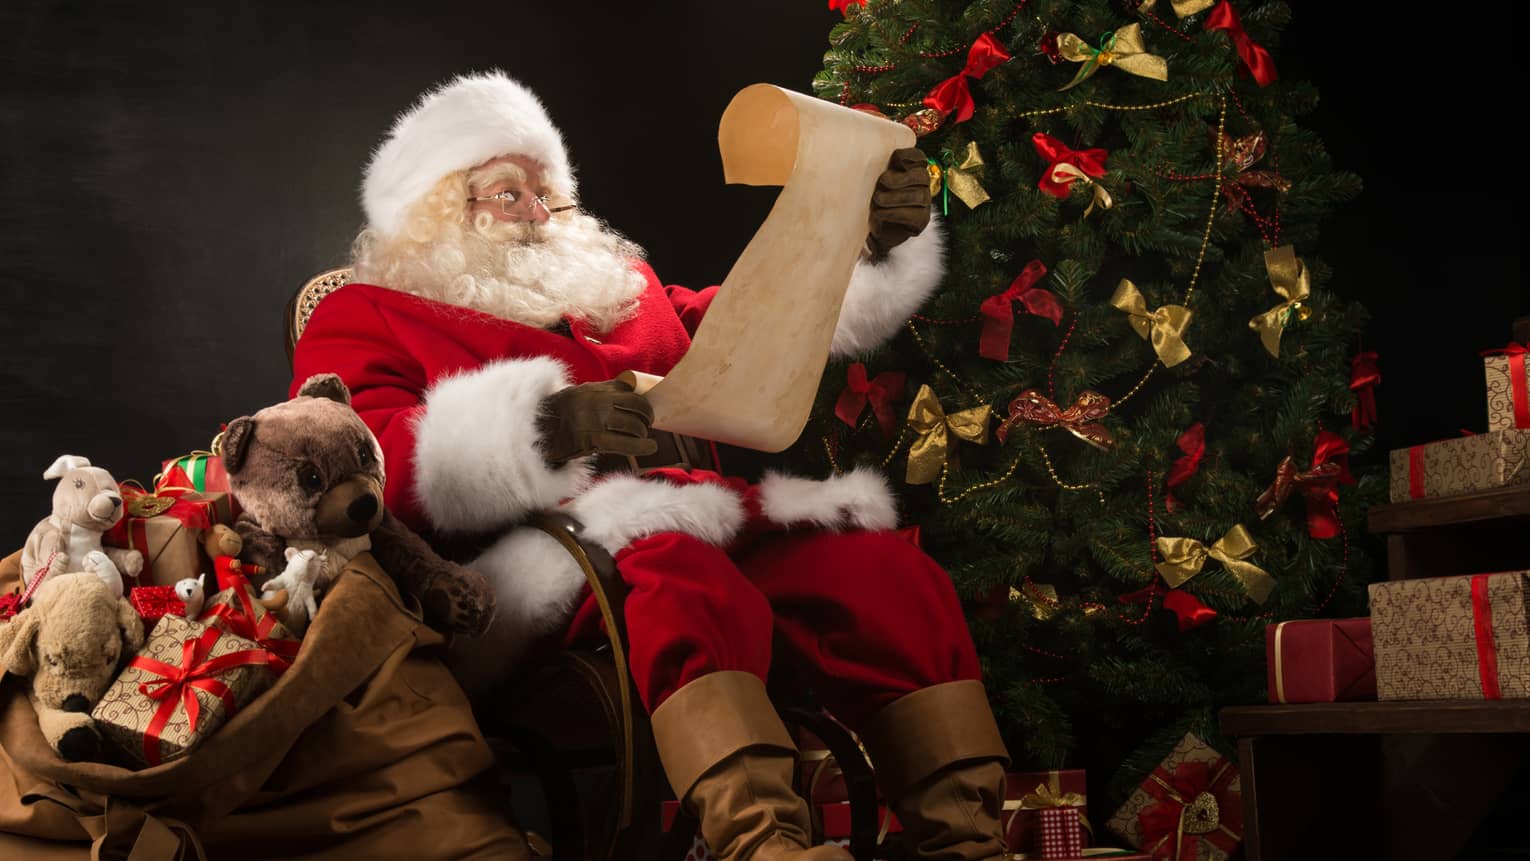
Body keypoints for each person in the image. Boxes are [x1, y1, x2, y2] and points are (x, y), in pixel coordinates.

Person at [292, 71, 1009, 861]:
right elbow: (358, 460)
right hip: (533, 570)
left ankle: (965, 838)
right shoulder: (364, 313)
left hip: (703, 518)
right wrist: (543, 425)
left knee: (876, 567)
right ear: (437, 212)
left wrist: (857, 242)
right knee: (675, 554)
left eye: (548, 194)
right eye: (509, 194)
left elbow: (750, 328)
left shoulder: (622, 296)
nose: (538, 213)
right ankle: (764, 843)